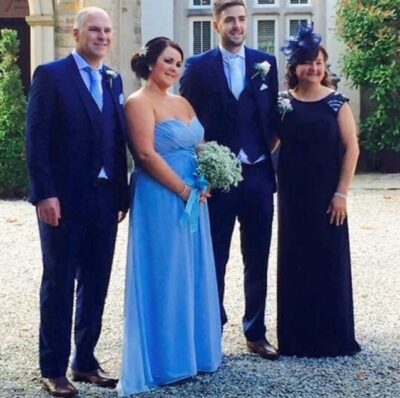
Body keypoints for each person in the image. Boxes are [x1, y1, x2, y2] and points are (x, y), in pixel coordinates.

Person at [26, 7, 129, 397]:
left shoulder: (113, 80)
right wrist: (44, 193)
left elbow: (117, 141)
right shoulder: (51, 76)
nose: (102, 36)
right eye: (94, 30)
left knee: (96, 281)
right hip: (63, 202)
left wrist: (122, 194)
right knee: (59, 282)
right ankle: (52, 368)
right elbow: (36, 140)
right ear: (76, 33)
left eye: (107, 31)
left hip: (105, 201)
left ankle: (84, 360)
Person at [116, 37, 221, 396]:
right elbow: (144, 154)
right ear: (150, 63)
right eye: (167, 61)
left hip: (195, 195)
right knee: (165, 272)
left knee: (192, 271)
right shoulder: (138, 102)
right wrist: (183, 190)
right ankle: (165, 361)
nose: (174, 68)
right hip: (162, 197)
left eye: (178, 63)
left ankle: (194, 353)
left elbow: (199, 146)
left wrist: (207, 179)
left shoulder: (183, 101)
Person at [180, 0, 279, 360]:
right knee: (214, 256)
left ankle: (255, 331)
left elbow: (269, 118)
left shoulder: (264, 64)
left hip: (257, 175)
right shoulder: (197, 67)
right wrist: (203, 169)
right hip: (218, 181)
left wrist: (262, 153)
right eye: (230, 21)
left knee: (258, 256)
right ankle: (212, 331)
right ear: (216, 24)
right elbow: (187, 120)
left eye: (242, 19)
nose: (237, 26)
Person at [276, 24, 361, 357]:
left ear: (324, 67)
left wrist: (341, 193)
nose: (313, 68)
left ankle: (332, 337)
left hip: (327, 196)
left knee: (327, 260)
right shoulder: (283, 104)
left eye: (319, 62)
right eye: (307, 62)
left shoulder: (337, 104)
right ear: (295, 67)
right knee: (295, 259)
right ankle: (297, 339)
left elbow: (351, 148)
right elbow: (270, 143)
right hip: (293, 197)